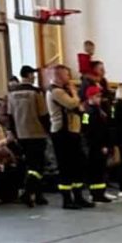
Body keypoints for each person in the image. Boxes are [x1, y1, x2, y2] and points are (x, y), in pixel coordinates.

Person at [47, 64, 89, 210]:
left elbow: (80, 109)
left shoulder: (64, 91)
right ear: (59, 76)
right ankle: (67, 199)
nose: (69, 78)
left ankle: (78, 196)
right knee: (66, 167)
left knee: (77, 166)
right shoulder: (55, 91)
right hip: (62, 133)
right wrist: (74, 92)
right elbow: (72, 104)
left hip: (73, 132)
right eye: (66, 75)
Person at [8, 65, 50, 207]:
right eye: (33, 74)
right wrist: (48, 130)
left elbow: (10, 116)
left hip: (21, 134)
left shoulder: (12, 93)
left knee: (30, 164)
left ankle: (38, 195)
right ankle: (29, 191)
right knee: (38, 166)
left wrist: (14, 132)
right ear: (29, 75)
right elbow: (43, 114)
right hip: (36, 132)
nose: (34, 77)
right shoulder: (35, 92)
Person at [81, 84, 113, 204]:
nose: (99, 99)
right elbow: (87, 130)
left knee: (101, 169)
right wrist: (101, 145)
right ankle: (95, 194)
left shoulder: (99, 110)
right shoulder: (87, 112)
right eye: (97, 96)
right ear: (91, 97)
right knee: (95, 170)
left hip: (100, 144)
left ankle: (100, 192)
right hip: (94, 146)